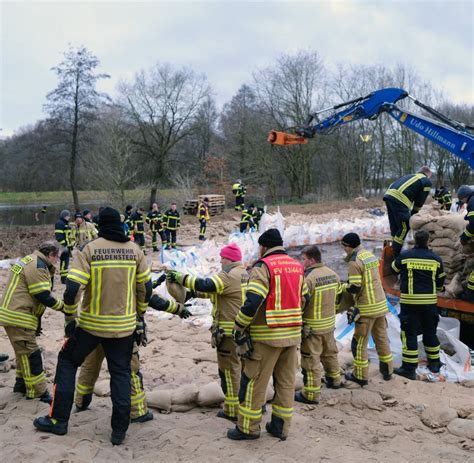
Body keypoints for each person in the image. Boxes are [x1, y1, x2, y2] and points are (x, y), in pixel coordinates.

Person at [33, 207, 152, 446]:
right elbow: (146, 289)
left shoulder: (89, 250)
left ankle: (58, 420)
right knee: (120, 374)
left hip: (91, 326)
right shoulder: (135, 250)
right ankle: (119, 431)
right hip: (123, 329)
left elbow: (72, 290)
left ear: (99, 225)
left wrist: (69, 320)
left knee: (67, 362)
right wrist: (139, 316)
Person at [227, 229, 309, 441]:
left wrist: (238, 327)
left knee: (254, 382)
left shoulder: (263, 267)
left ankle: (248, 428)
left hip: (267, 337)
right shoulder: (297, 266)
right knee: (286, 383)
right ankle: (280, 427)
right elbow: (305, 298)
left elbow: (253, 300)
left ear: (263, 247)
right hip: (292, 336)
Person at [74, 292, 191, 422]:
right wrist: (177, 308)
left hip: (93, 326)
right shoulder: (128, 272)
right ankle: (137, 413)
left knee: (90, 366)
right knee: (130, 371)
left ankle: (81, 402)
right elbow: (148, 295)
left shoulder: (94, 270)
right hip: (120, 329)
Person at [167, 243, 249, 422]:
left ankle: (232, 410)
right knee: (242, 370)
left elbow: (206, 284)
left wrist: (180, 277)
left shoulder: (229, 275)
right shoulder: (244, 274)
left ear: (229, 259)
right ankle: (245, 404)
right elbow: (215, 292)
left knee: (229, 372)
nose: (220, 261)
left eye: (222, 258)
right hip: (243, 334)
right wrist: (189, 295)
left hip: (228, 335)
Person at [0, 242, 73, 403]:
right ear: (51, 254)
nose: (57, 261)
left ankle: (21, 385)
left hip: (12, 314)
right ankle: (37, 392)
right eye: (57, 257)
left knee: (22, 354)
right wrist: (64, 307)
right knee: (31, 355)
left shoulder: (28, 259)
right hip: (19, 317)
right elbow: (42, 294)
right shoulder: (38, 266)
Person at [391, 230, 446, 379]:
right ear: (428, 241)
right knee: (430, 332)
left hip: (410, 302)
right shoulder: (435, 259)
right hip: (429, 303)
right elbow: (441, 282)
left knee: (409, 334)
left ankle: (409, 368)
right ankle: (434, 363)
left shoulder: (406, 256)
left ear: (415, 240)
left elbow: (393, 269)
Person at [340, 233, 393, 386]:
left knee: (359, 343)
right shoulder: (369, 255)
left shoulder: (354, 262)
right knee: (381, 338)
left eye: (344, 247)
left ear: (348, 246)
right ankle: (387, 371)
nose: (344, 250)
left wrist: (343, 287)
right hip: (381, 305)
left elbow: (355, 287)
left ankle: (360, 375)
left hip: (366, 309)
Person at [295, 245, 341, 405]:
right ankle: (335, 379)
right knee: (330, 353)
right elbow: (339, 298)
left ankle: (311, 393)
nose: (301, 262)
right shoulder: (333, 274)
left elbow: (301, 302)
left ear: (311, 260)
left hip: (312, 327)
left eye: (303, 259)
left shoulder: (309, 279)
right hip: (329, 324)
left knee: (311, 360)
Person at [383, 166, 433, 256]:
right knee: (405, 226)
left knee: (396, 226)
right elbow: (419, 202)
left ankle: (391, 249)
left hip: (389, 195)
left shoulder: (412, 176)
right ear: (428, 174)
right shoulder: (426, 181)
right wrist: (413, 217)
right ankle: (395, 254)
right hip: (400, 198)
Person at [457, 185, 474, 302]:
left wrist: (464, 237)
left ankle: (470, 295)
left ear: (464, 197)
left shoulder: (472, 201)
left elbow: (473, 224)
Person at [55, 209, 74, 283]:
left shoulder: (65, 223)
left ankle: (64, 277)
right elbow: (59, 237)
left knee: (66, 263)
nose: (69, 217)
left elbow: (68, 236)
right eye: (68, 216)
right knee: (64, 263)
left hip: (67, 246)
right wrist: (65, 245)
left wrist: (70, 246)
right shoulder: (60, 223)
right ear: (64, 216)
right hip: (63, 247)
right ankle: (63, 279)